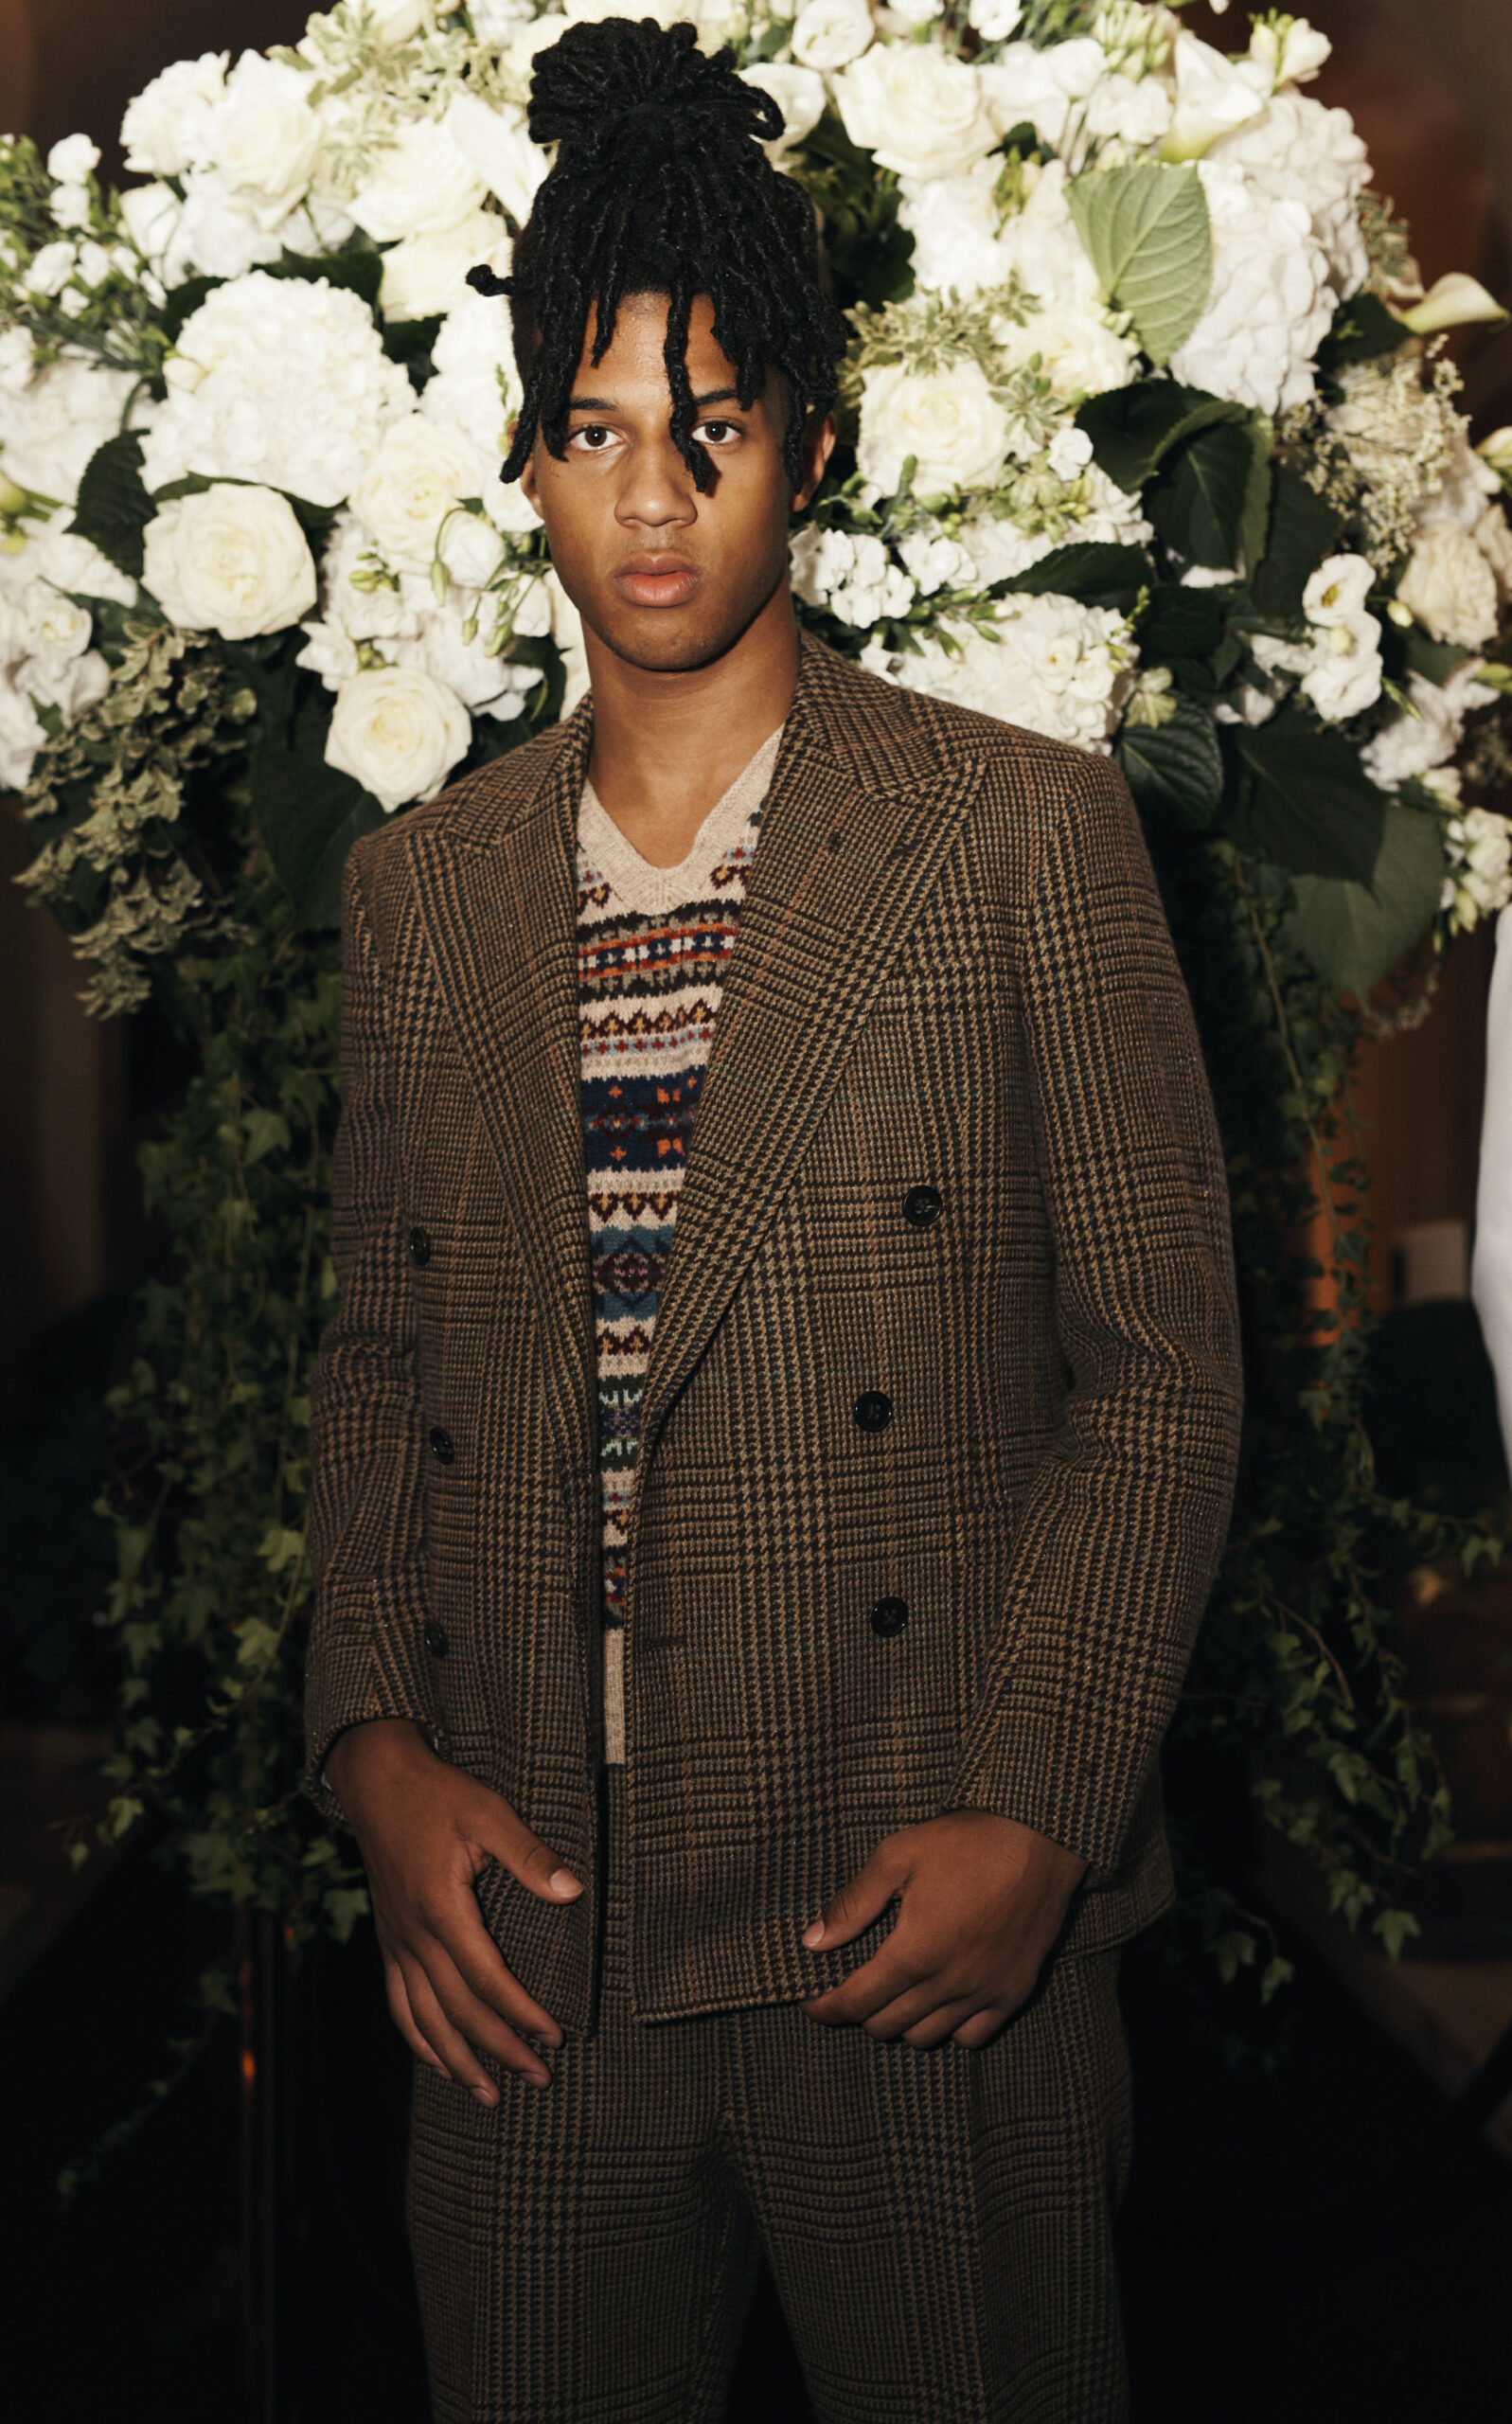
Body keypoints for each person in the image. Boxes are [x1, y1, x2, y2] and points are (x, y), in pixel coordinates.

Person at [304, 19, 1244, 2422]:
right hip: (530, 1940)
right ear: (521, 453)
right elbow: (379, 1367)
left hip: (910, 1908)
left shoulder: (1015, 833)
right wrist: (372, 1751)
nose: (653, 499)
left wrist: (1041, 1811)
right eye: (593, 428)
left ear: (809, 445)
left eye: (709, 428)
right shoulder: (419, 890)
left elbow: (1159, 1369)